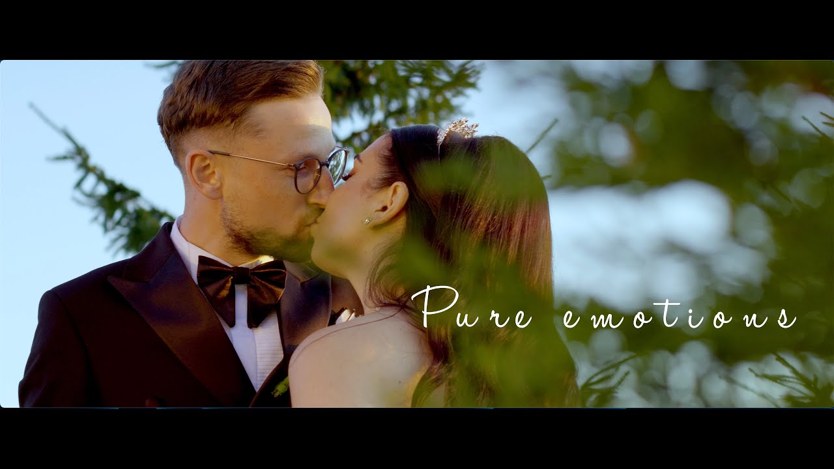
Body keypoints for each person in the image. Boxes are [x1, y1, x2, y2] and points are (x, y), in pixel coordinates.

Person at [19, 60, 362, 407]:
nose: (327, 193)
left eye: (330, 163)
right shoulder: (82, 315)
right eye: (302, 168)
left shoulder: (358, 295)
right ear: (207, 173)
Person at [289, 120, 579, 407]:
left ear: (387, 203)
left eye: (349, 173)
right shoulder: (514, 373)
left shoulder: (341, 356)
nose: (326, 193)